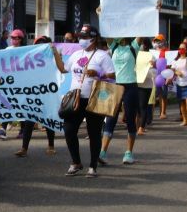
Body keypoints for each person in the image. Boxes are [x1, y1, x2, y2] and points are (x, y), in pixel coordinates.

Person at [54, 24, 114, 177]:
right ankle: (76, 162)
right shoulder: (76, 54)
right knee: (69, 130)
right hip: (76, 98)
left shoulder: (102, 55)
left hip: (95, 98)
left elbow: (112, 76)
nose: (81, 40)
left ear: (93, 39)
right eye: (80, 37)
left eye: (85, 37)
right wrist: (55, 54)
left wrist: (97, 72)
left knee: (94, 133)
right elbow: (63, 69)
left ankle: (93, 166)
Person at [98, 35, 144, 166]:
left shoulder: (133, 46)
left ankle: (129, 153)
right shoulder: (114, 46)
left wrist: (152, 14)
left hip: (130, 87)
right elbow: (106, 32)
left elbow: (141, 32)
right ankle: (102, 152)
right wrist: (101, 15)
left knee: (130, 119)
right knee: (110, 119)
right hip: (115, 86)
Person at [15, 35, 56, 157]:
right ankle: (24, 148)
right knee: (29, 121)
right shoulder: (30, 58)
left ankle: (51, 146)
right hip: (33, 94)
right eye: (38, 43)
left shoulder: (52, 58)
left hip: (47, 94)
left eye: (43, 44)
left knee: (48, 120)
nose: (40, 46)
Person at [0, 28, 26, 141]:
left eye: (15, 38)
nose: (13, 40)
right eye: (11, 37)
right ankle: (3, 129)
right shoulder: (7, 50)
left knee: (21, 105)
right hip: (9, 83)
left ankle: (23, 130)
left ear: (20, 39)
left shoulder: (25, 51)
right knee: (8, 105)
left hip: (21, 83)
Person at [135, 39, 156, 135]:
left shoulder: (152, 56)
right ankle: (137, 126)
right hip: (135, 84)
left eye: (142, 44)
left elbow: (154, 73)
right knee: (137, 108)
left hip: (146, 86)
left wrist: (149, 67)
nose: (141, 46)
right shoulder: (135, 54)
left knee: (143, 107)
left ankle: (141, 127)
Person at [153, 34, 169, 119]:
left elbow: (169, 64)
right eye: (155, 41)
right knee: (156, 95)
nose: (157, 43)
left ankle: (163, 112)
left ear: (163, 42)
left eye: (158, 41)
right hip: (155, 76)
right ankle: (156, 113)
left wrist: (169, 77)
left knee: (164, 95)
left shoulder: (167, 51)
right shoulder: (153, 52)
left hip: (164, 76)